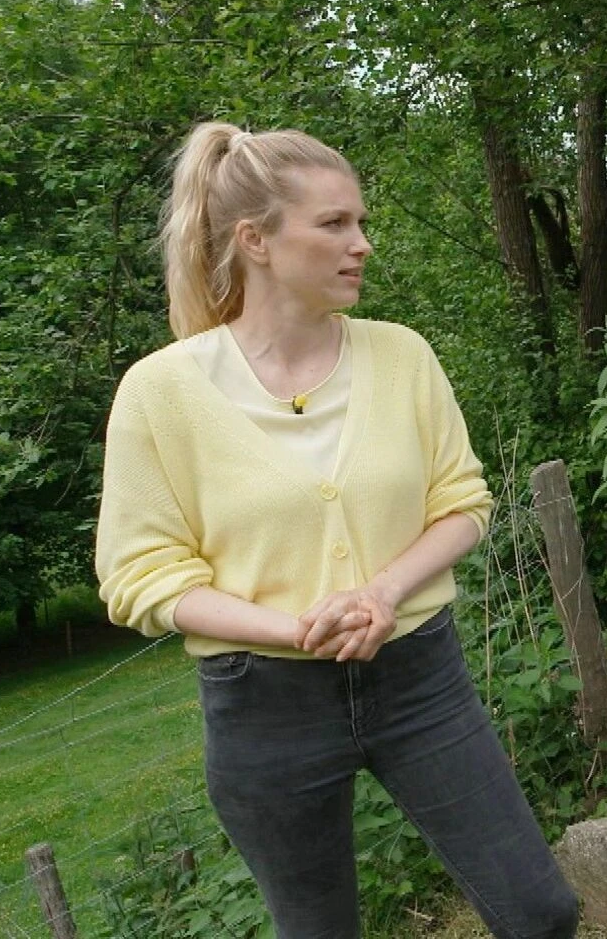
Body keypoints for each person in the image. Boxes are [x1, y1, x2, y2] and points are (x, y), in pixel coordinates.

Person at [95, 123, 579, 939]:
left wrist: (383, 592)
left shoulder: (402, 356)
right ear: (255, 240)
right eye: (335, 224)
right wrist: (296, 629)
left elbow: (462, 502)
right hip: (264, 705)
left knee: (540, 912)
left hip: (419, 677)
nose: (362, 244)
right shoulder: (160, 392)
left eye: (361, 222)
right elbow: (141, 576)